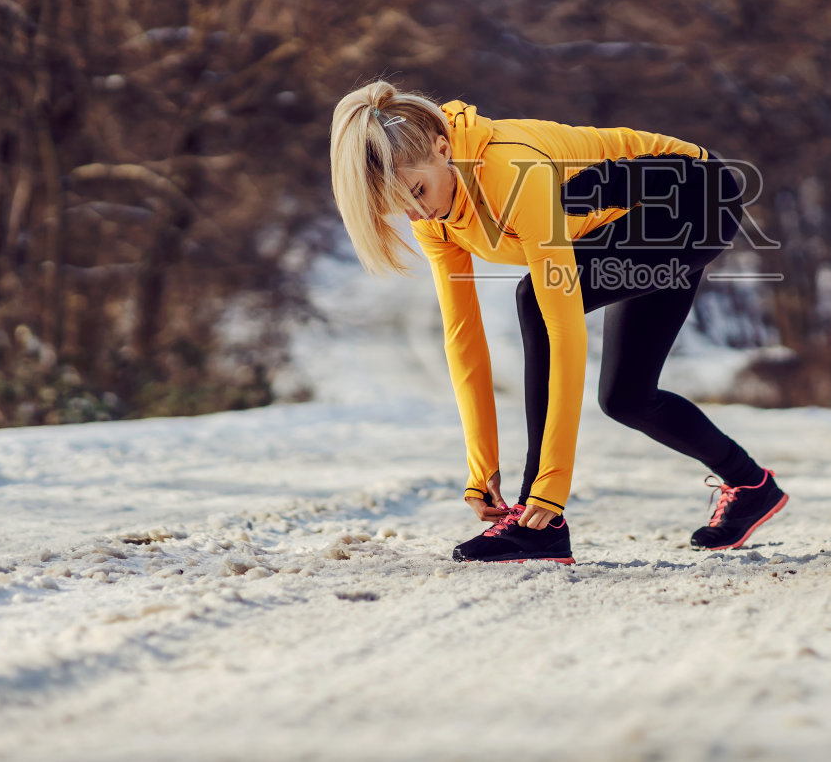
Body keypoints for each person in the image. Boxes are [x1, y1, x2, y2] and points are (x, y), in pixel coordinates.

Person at [328, 80, 787, 564]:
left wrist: (548, 491)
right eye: (402, 206)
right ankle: (750, 484)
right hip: (631, 216)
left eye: (419, 191)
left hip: (694, 199)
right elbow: (462, 336)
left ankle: (538, 524)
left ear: (443, 149)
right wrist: (480, 470)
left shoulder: (507, 172)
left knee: (533, 299)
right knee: (627, 398)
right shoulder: (434, 215)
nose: (419, 212)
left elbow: (562, 324)